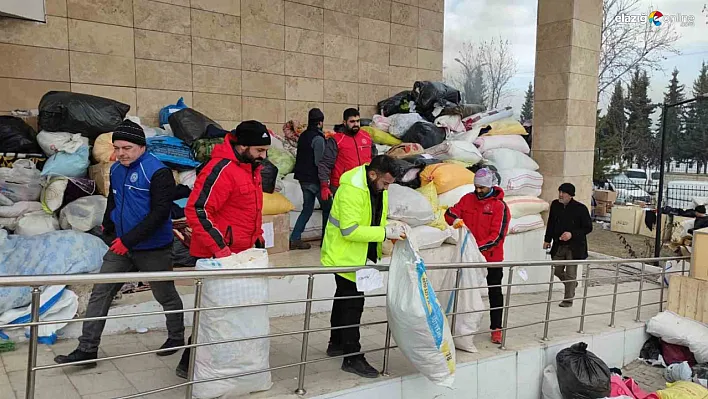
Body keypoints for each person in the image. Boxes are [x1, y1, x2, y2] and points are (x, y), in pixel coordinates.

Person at [55, 120, 184, 367]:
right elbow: (113, 200)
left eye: (127, 147)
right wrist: (108, 226)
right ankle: (87, 350)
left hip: (153, 247)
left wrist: (128, 240)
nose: (121, 153)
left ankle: (177, 337)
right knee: (101, 292)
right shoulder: (116, 169)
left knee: (165, 294)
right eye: (117, 148)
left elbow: (159, 214)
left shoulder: (158, 172)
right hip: (121, 246)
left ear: (141, 146)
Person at [174, 121, 271, 378]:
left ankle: (224, 361)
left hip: (241, 254)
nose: (264, 156)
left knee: (231, 315)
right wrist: (220, 249)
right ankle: (189, 362)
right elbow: (197, 210)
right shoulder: (222, 168)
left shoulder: (251, 168)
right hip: (217, 255)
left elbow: (249, 209)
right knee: (212, 314)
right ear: (242, 145)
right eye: (259, 150)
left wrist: (258, 239)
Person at [321, 155, 407, 378]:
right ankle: (352, 357)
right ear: (372, 174)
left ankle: (337, 343)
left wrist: (389, 229)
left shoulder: (376, 188)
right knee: (352, 304)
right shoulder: (352, 189)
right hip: (345, 255)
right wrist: (385, 233)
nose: (387, 188)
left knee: (343, 299)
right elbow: (349, 230)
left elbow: (375, 218)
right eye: (385, 183)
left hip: (358, 255)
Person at [444, 168, 510, 344]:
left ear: (491, 186)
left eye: (482, 187)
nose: (478, 190)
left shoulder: (500, 206)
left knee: (494, 291)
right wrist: (455, 220)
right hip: (469, 257)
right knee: (462, 290)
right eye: (476, 187)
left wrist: (476, 248)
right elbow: (450, 213)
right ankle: (457, 326)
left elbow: (497, 237)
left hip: (491, 257)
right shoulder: (468, 199)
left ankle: (496, 328)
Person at [318, 108, 377, 238]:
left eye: (358, 121)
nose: (356, 124)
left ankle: (360, 239)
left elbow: (374, 160)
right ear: (344, 122)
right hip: (341, 186)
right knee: (340, 218)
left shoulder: (366, 137)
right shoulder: (336, 140)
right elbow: (325, 164)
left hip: (364, 185)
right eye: (352, 121)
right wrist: (324, 185)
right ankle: (330, 241)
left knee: (362, 216)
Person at [543, 183, 593, 308]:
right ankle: (572, 284)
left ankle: (568, 299)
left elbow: (588, 228)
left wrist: (572, 234)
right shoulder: (555, 205)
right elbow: (551, 223)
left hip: (574, 247)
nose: (560, 195)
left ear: (570, 195)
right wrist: (547, 239)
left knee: (571, 273)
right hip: (559, 244)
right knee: (556, 269)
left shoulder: (580, 208)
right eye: (559, 192)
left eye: (563, 193)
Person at [290, 108, 327, 250]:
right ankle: (327, 240)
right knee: (328, 208)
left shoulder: (304, 136)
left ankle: (295, 238)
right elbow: (320, 162)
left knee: (307, 209)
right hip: (314, 180)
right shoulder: (318, 138)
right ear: (320, 123)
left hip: (303, 179)